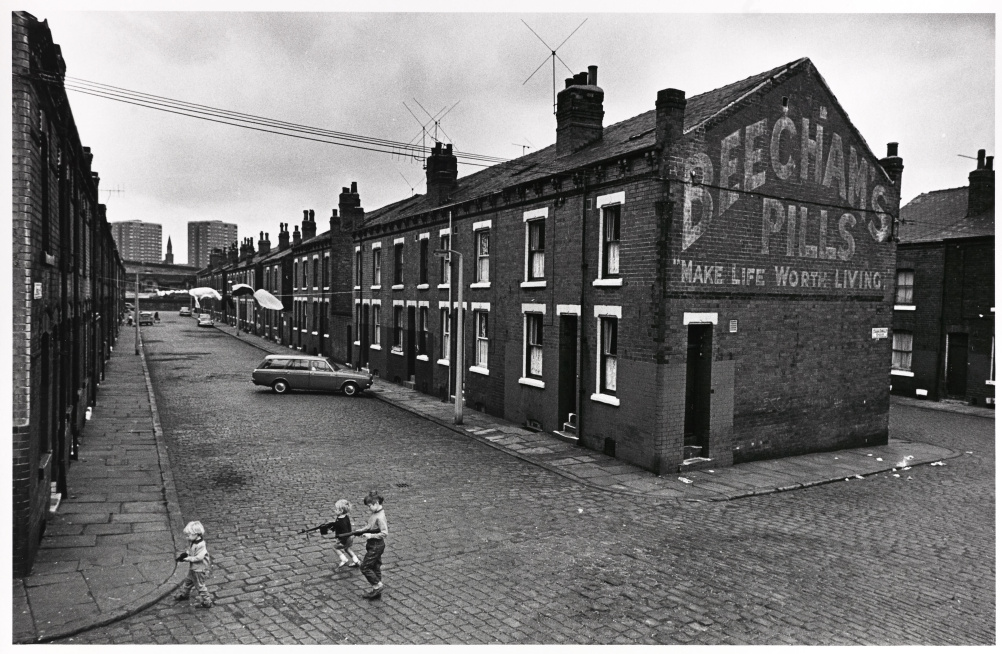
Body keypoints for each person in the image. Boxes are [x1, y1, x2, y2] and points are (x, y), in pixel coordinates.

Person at [174, 520, 213, 608]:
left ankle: (207, 601)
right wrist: (186, 554)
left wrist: (189, 559)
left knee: (200, 586)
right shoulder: (193, 541)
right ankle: (184, 594)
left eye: (189, 535)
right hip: (193, 568)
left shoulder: (201, 545)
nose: (187, 537)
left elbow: (199, 557)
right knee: (188, 581)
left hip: (199, 569)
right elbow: (191, 550)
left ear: (196, 534)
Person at [359, 491, 388, 600]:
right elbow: (370, 526)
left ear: (376, 503)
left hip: (376, 545)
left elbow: (384, 533)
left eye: (370, 506)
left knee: (365, 567)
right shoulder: (375, 514)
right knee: (375, 567)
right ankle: (377, 591)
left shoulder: (380, 517)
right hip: (373, 545)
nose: (369, 508)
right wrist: (360, 531)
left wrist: (370, 536)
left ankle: (377, 586)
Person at [329, 499, 362, 570]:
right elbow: (339, 526)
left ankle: (344, 559)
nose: (334, 510)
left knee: (335, 547)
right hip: (349, 538)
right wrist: (334, 527)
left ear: (341, 511)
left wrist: (341, 541)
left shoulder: (341, 521)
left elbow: (345, 532)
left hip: (344, 539)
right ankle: (357, 561)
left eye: (336, 509)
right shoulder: (345, 517)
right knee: (347, 549)